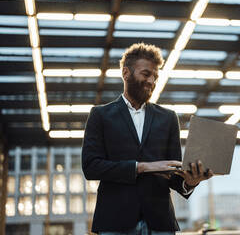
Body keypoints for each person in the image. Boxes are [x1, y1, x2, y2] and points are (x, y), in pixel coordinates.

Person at [82, 43, 213, 235]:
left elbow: (175, 174)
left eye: (155, 76)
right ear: (126, 73)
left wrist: (191, 181)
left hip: (160, 222)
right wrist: (141, 167)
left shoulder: (168, 118)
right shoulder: (100, 115)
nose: (151, 81)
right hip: (115, 221)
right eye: (146, 74)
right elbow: (91, 166)